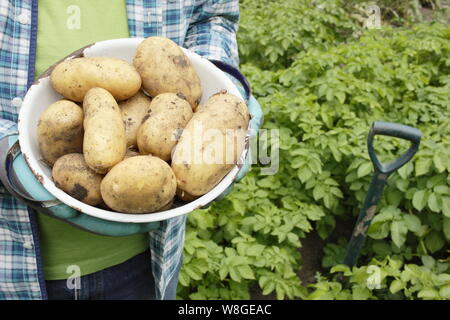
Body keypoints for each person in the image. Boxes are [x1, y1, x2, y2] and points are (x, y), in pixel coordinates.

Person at [0, 0, 262, 300]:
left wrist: (222, 80)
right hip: (11, 266)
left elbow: (213, 15)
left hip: (148, 253)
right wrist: (3, 157)